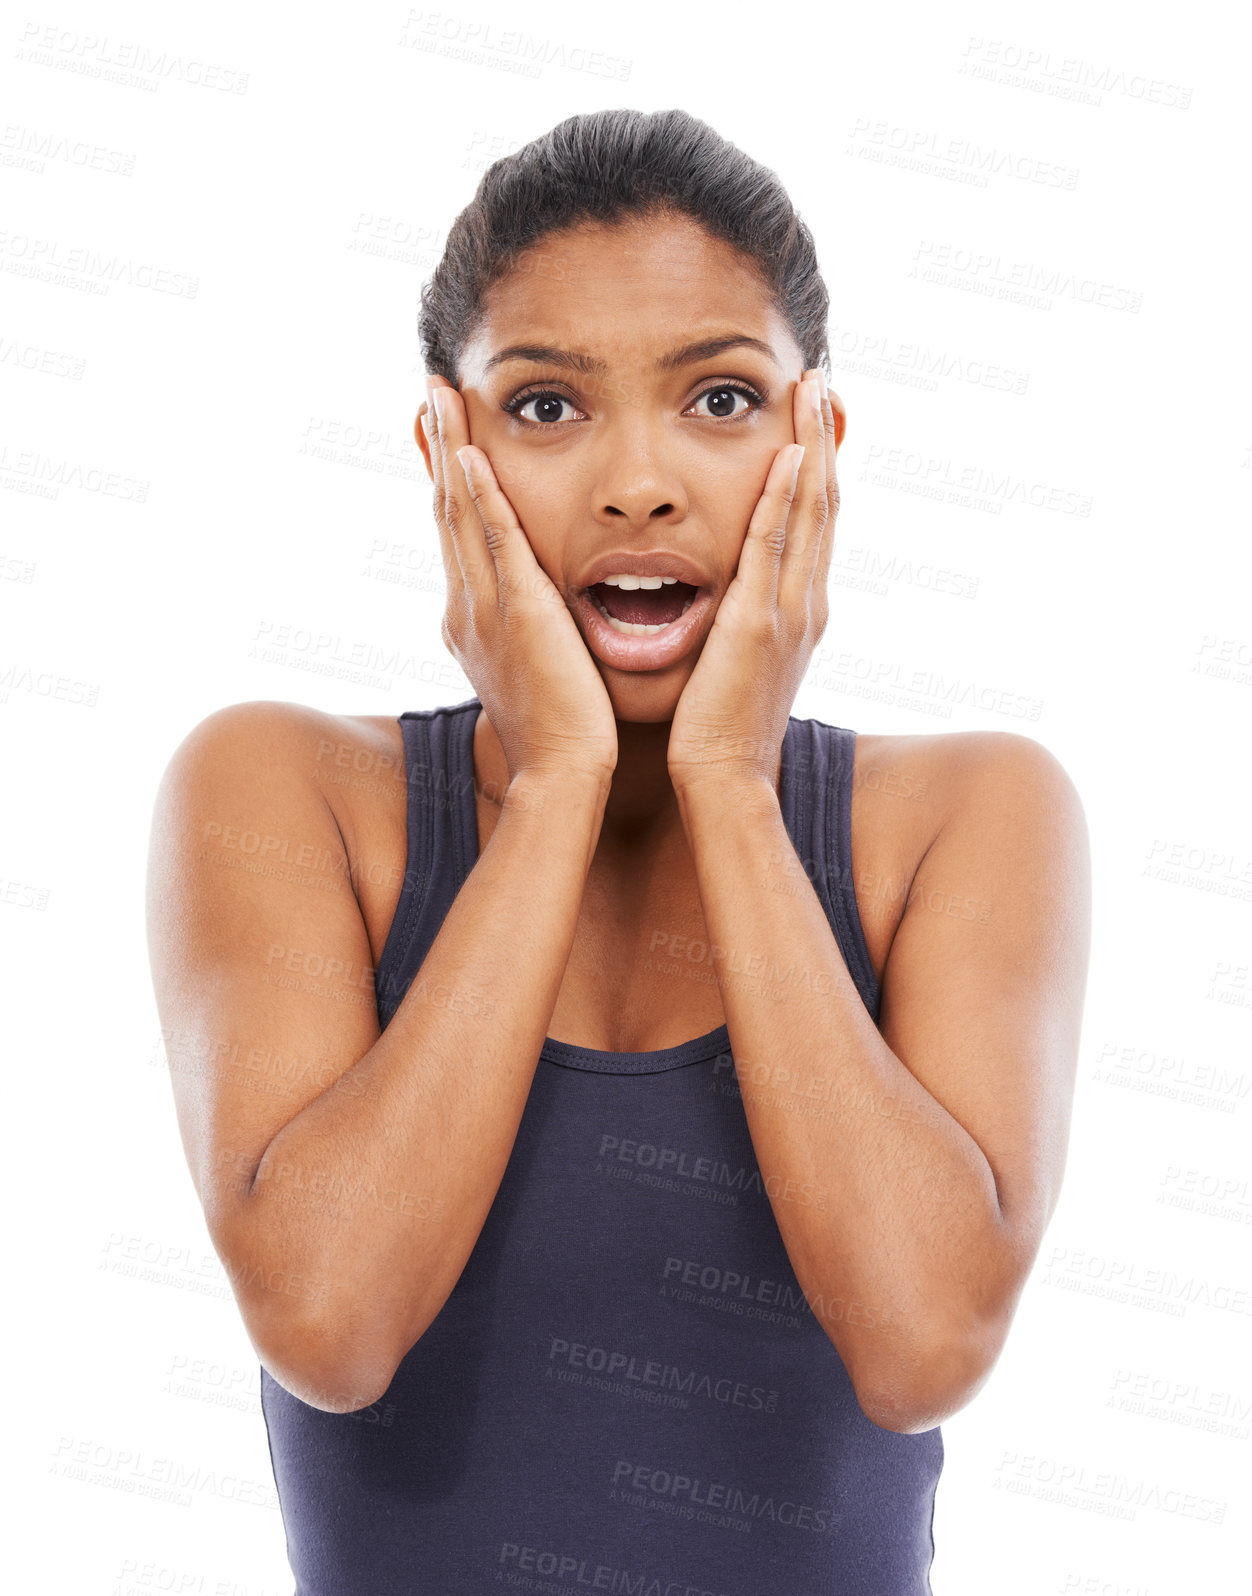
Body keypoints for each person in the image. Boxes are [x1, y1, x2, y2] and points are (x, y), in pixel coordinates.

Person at [145, 108, 1091, 1594]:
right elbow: (330, 1323)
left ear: (816, 443)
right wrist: (561, 777)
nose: (638, 484)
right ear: (444, 451)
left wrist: (725, 774)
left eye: (720, 400)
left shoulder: (971, 816)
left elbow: (923, 1346)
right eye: (544, 409)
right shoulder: (284, 790)